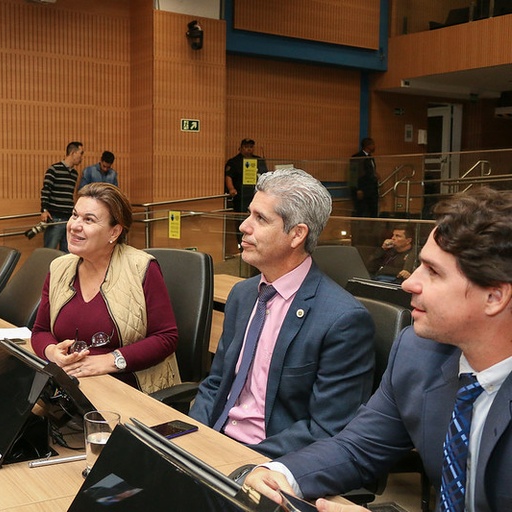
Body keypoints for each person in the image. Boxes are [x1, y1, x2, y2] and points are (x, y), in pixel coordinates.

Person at [244, 187, 512, 512]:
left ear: (494, 297)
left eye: (434, 272)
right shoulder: (418, 352)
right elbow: (357, 448)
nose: (409, 283)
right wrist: (278, 473)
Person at [189, 168, 375, 459]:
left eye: (260, 218)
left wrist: (239, 461)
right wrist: (192, 438)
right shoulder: (243, 294)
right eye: (249, 214)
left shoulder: (343, 320)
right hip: (215, 443)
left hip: (271, 461)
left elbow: (326, 429)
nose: (244, 226)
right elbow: (216, 383)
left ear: (297, 234)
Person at [31, 183, 180, 393]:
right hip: (70, 386)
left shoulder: (142, 267)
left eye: (89, 220)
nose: (74, 226)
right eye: (74, 215)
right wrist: (52, 353)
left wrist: (111, 360)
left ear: (114, 231)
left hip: (129, 388)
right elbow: (40, 331)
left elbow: (166, 337)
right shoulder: (59, 268)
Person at [41, 141, 84, 252]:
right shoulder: (54, 169)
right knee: (49, 250)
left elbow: (70, 194)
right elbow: (46, 190)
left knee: (67, 251)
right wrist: (44, 210)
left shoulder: (74, 174)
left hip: (68, 217)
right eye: (81, 153)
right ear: (73, 153)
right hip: (55, 217)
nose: (81, 157)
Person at [225, 138, 269, 213]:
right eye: (246, 147)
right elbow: (229, 176)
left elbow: (265, 175)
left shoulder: (258, 160)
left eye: (251, 147)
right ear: (240, 148)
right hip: (240, 194)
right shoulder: (234, 161)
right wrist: (231, 189)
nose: (249, 149)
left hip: (255, 193)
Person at [350, 137, 378, 217]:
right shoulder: (357, 157)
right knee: (361, 212)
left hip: (372, 190)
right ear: (367, 145)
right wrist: (357, 189)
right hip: (362, 189)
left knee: (373, 213)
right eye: (373, 144)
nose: (374, 146)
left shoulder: (371, 158)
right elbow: (353, 175)